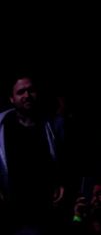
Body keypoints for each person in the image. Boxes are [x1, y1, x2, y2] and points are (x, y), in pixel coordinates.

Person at [0, 72, 65, 234]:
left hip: (47, 212)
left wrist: (60, 182)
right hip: (12, 214)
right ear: (12, 98)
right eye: (21, 92)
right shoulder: (3, 126)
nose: (27, 95)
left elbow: (65, 159)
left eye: (31, 90)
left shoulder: (51, 125)